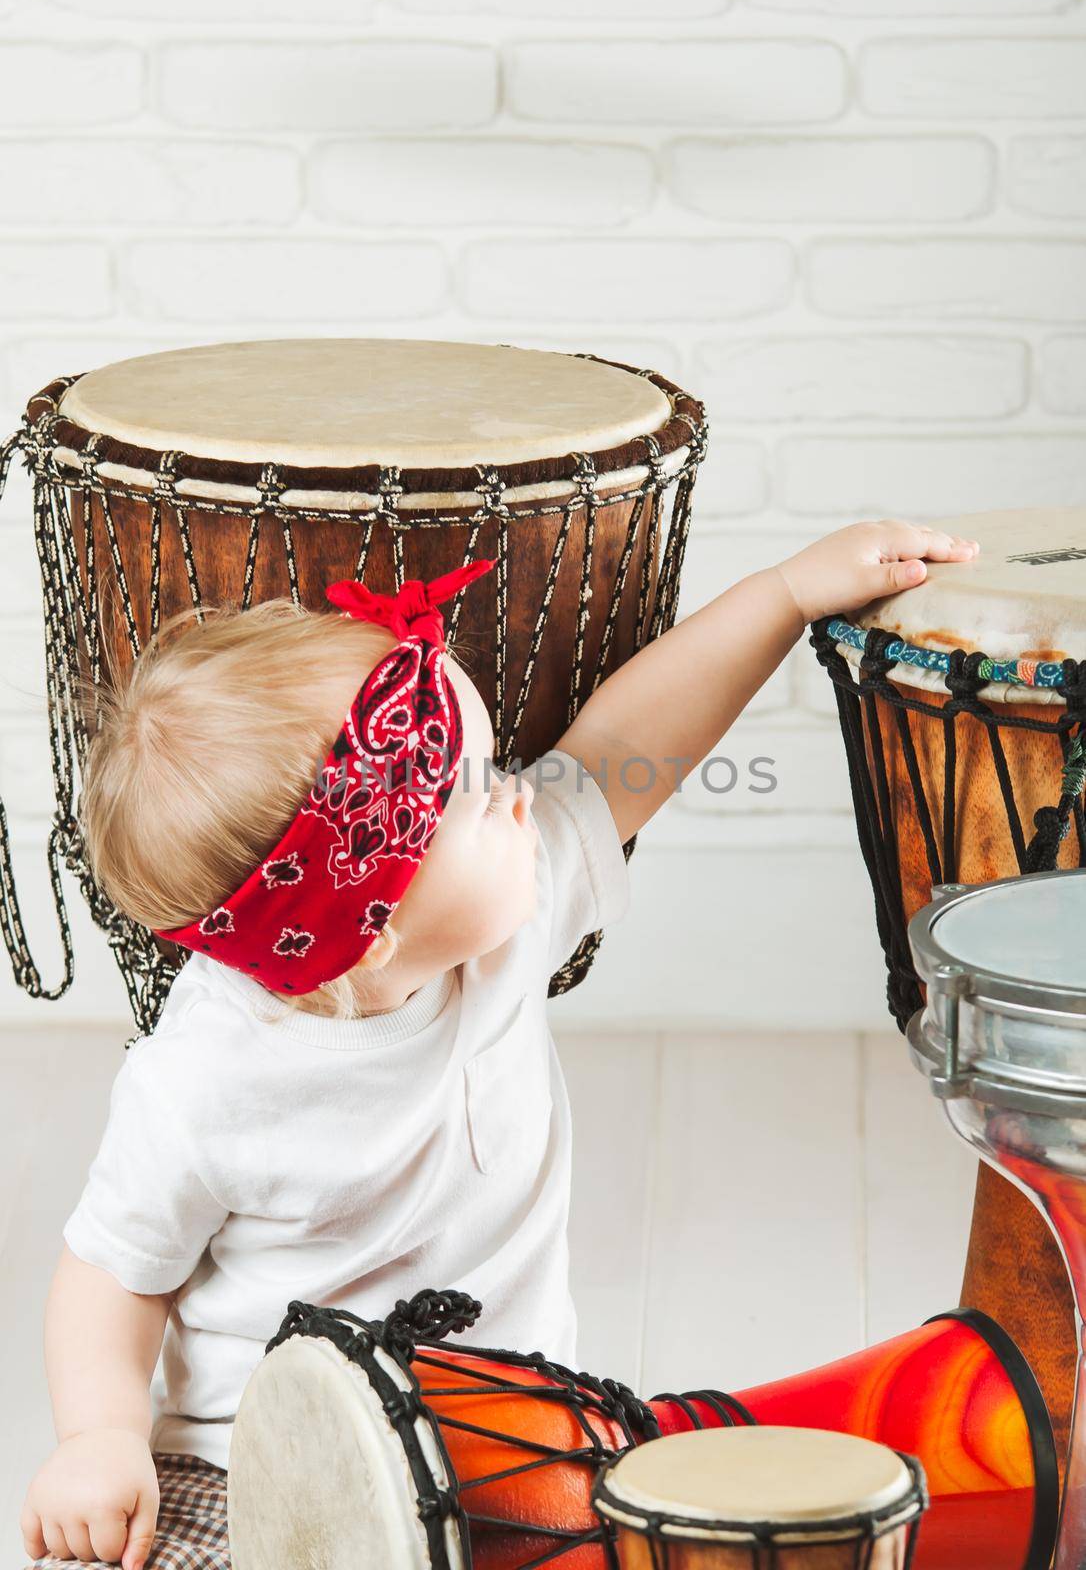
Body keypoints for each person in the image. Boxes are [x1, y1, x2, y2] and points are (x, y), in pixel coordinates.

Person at [20, 520, 979, 1570]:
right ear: (373, 924)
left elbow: (620, 752)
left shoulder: (496, 919)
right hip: (254, 1470)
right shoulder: (204, 1079)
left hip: (506, 1451)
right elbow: (112, 1272)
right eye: (479, 789)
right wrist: (100, 1439)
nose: (521, 790)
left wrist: (787, 592)